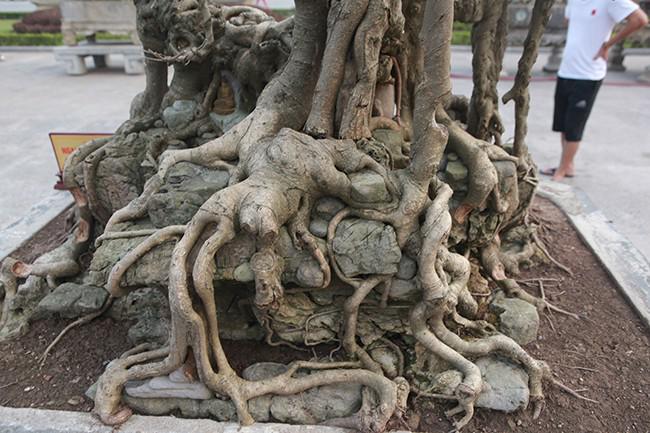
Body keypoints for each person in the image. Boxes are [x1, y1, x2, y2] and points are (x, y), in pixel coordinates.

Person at [542, 0, 648, 181]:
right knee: (563, 123)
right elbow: (570, 22)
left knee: (574, 126)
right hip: (566, 70)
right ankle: (568, 165)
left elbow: (640, 20)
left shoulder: (610, 1)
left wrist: (608, 44)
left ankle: (561, 170)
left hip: (588, 74)